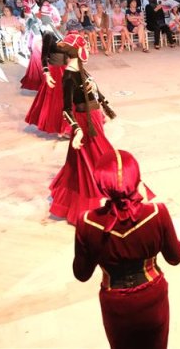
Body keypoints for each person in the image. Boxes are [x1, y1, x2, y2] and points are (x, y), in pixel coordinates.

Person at [73, 149, 180, 349]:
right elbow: (175, 257)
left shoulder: (87, 222)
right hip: (153, 298)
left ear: (100, 185)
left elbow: (81, 274)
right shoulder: (158, 213)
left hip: (116, 304)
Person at [49, 29, 123, 224]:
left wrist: (105, 106)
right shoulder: (68, 77)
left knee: (84, 162)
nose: (88, 50)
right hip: (85, 122)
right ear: (79, 50)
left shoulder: (80, 69)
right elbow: (66, 109)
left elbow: (94, 88)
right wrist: (78, 130)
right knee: (100, 157)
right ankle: (113, 193)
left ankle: (74, 198)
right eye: (85, 46)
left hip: (95, 117)